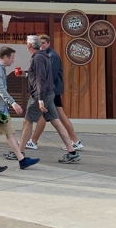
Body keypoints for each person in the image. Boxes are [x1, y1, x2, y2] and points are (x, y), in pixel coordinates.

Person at [18, 35, 80, 163]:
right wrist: (26, 74)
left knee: (27, 121)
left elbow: (41, 79)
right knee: (56, 120)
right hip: (49, 93)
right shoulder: (45, 56)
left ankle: (20, 152)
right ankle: (72, 151)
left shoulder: (39, 58)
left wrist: (40, 99)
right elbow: (40, 75)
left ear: (29, 46)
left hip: (42, 94)